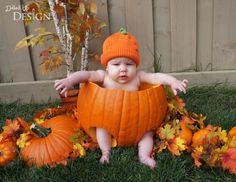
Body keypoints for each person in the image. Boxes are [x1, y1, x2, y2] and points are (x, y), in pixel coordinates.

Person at [54, 29, 188, 169]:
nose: (123, 69)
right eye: (116, 64)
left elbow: (156, 77)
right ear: (107, 66)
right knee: (101, 128)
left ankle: (144, 156)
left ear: (135, 66)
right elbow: (86, 75)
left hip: (139, 122)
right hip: (108, 120)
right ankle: (106, 152)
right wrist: (70, 80)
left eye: (129, 64)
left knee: (147, 134)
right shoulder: (102, 76)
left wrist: (173, 81)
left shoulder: (138, 77)